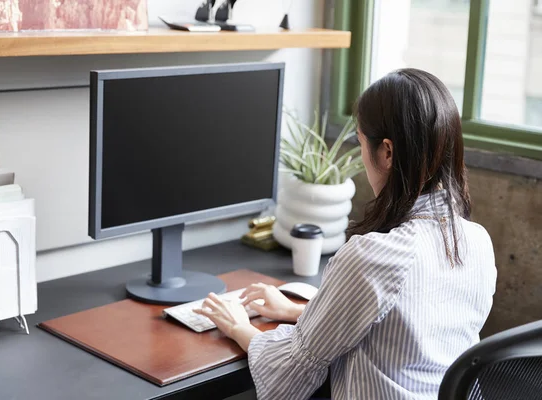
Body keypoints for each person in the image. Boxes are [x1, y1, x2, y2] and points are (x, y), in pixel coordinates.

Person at [194, 68, 497, 399]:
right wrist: (299, 312)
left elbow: (290, 375)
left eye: (360, 140)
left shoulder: (376, 256)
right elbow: (406, 330)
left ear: (387, 152)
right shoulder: (477, 242)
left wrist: (239, 326)